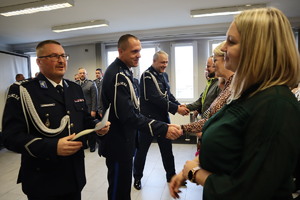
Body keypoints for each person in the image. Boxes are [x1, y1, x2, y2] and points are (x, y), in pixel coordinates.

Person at [169, 7, 300, 200]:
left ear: (257, 49)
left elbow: (250, 191)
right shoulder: (248, 94)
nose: (223, 48)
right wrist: (191, 167)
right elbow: (225, 139)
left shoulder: (275, 105)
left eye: (231, 41)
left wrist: (195, 173)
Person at [2, 40, 110, 200]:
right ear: (39, 61)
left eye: (63, 56)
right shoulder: (24, 90)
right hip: (43, 178)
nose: (61, 60)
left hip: (74, 174)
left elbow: (84, 118)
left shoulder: (74, 88)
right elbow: (10, 136)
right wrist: (52, 147)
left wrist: (97, 126)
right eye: (53, 56)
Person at [99, 34, 183, 200]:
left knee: (123, 189)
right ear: (121, 51)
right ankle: (138, 177)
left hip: (127, 140)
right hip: (118, 143)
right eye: (134, 51)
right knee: (118, 190)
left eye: (139, 51)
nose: (138, 55)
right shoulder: (118, 75)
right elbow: (129, 116)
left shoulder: (125, 71)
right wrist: (163, 127)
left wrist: (177, 107)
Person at [133, 50, 189, 190]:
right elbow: (155, 97)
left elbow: (167, 94)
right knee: (141, 152)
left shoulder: (164, 75)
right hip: (147, 122)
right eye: (162, 62)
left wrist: (179, 104)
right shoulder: (147, 76)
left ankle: (171, 176)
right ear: (154, 61)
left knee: (167, 151)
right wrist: (176, 109)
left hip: (163, 120)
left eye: (166, 62)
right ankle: (137, 178)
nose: (165, 65)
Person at [181, 41, 234, 138]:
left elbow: (220, 122)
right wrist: (182, 128)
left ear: (226, 59)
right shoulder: (227, 86)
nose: (213, 66)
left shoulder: (234, 88)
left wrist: (183, 128)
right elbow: (210, 118)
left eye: (215, 61)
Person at [76, 68, 98, 152]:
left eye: (83, 73)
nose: (82, 74)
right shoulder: (76, 84)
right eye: (80, 73)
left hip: (89, 110)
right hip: (79, 111)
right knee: (82, 128)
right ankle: (84, 144)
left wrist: (93, 110)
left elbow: (94, 98)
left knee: (91, 128)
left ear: (86, 74)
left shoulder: (91, 84)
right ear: (78, 75)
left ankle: (92, 145)